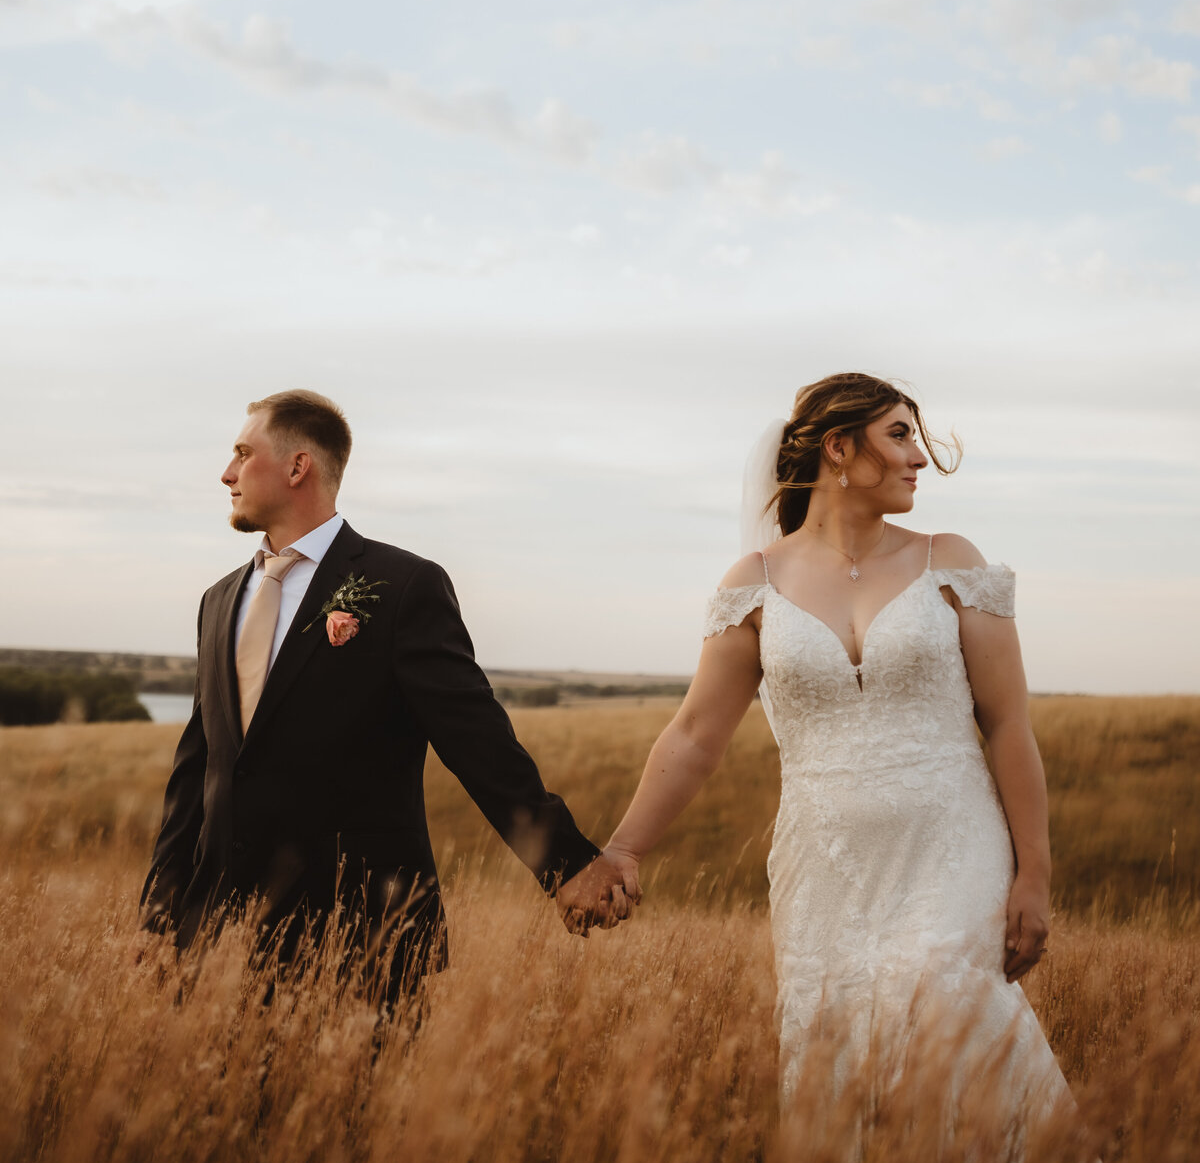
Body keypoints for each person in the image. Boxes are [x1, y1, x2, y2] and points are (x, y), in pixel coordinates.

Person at [562, 372, 1070, 1114]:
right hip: (824, 864)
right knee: (842, 1048)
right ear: (839, 448)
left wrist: (1035, 874)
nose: (917, 458)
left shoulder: (952, 562)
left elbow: (1008, 724)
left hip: (952, 849)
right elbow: (698, 733)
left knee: (949, 1011)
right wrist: (624, 848)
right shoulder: (757, 582)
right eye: (898, 435)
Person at [141, 389, 612, 1004]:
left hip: (362, 940)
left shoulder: (402, 587)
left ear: (297, 466)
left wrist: (565, 864)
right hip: (216, 943)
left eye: (241, 453)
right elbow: (196, 770)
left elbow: (476, 741)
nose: (226, 473)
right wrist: (159, 913)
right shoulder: (219, 601)